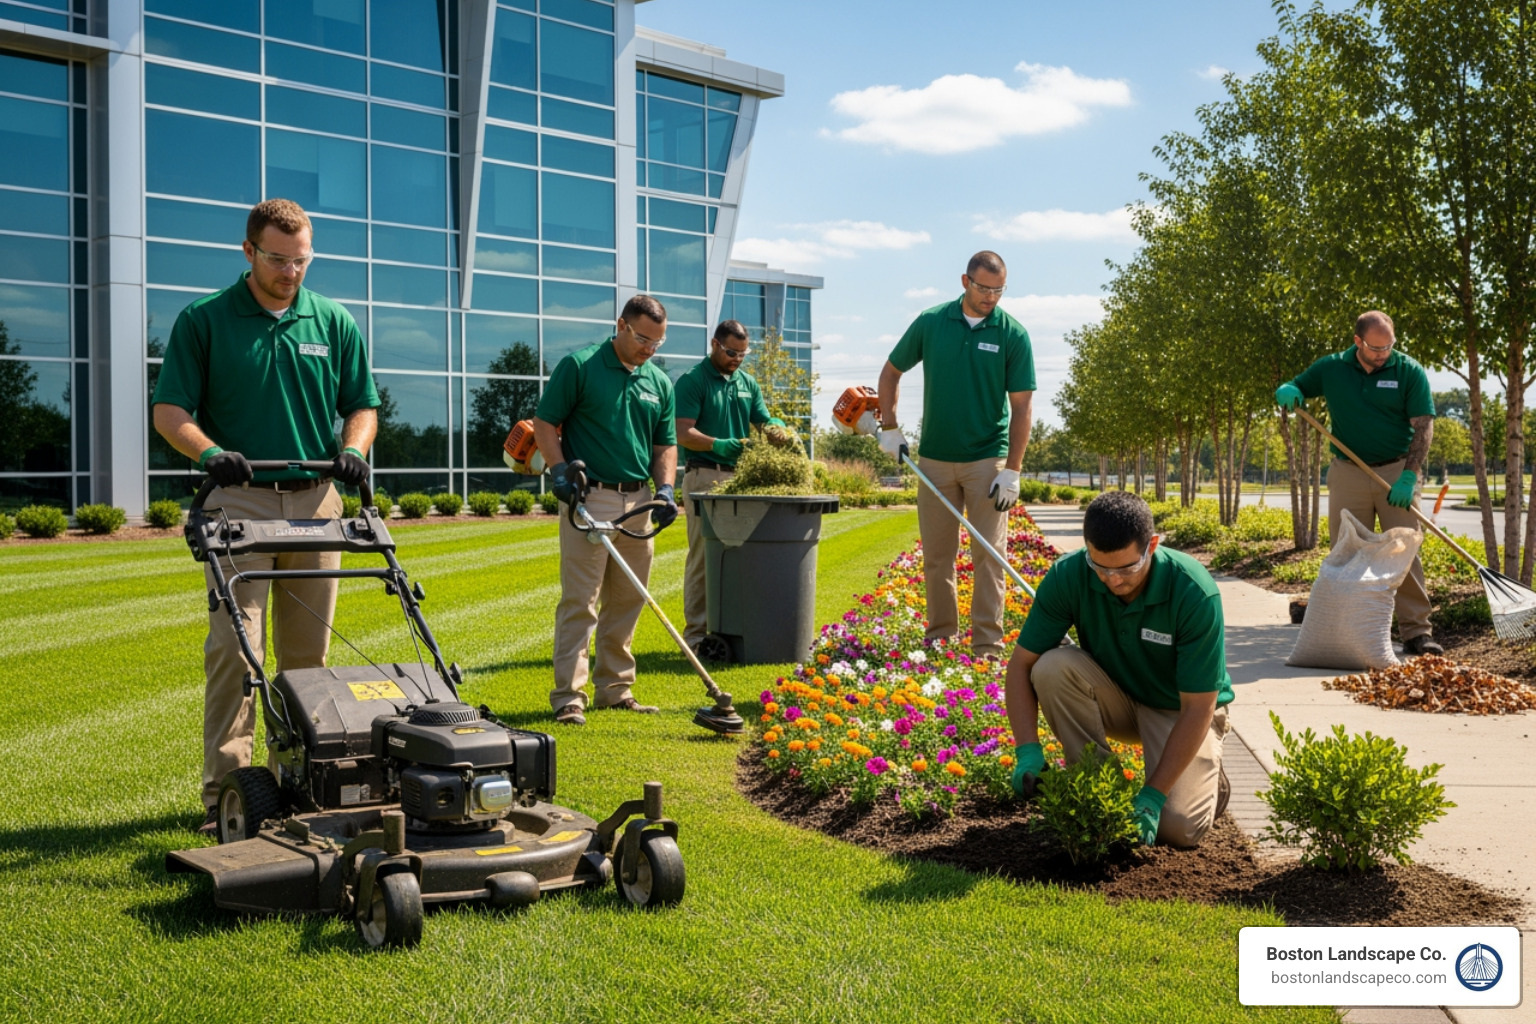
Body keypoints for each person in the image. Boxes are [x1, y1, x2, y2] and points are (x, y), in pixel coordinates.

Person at [151, 198, 380, 836]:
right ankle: (224, 793)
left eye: (301, 260)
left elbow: (361, 404)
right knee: (236, 648)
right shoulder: (205, 320)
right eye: (278, 260)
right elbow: (169, 410)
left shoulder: (332, 320)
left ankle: (301, 785)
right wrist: (211, 452)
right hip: (240, 500)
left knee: (308, 659)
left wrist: (355, 449)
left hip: (316, 500)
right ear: (248, 251)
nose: (290, 272)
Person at [1004, 491, 1234, 847]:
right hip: (1119, 695)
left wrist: (1154, 796)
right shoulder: (1069, 575)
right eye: (1101, 567)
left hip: (1179, 709)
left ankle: (1208, 780)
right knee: (1051, 667)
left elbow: (1198, 707)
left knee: (1178, 829)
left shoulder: (1193, 592)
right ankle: (1100, 788)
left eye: (1127, 568)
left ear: (1152, 545)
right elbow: (1021, 665)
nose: (1113, 580)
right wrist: (1027, 751)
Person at [877, 250, 1035, 659]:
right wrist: (890, 427)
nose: (991, 298)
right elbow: (891, 372)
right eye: (984, 289)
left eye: (999, 290)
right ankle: (941, 638)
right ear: (965, 282)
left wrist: (1012, 470)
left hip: (987, 459)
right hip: (934, 459)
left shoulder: (1012, 334)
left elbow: (1022, 407)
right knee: (938, 556)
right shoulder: (932, 323)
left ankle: (987, 646)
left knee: (990, 556)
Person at [533, 295, 679, 725]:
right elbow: (545, 423)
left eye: (657, 342)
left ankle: (615, 689)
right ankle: (568, 698)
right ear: (620, 325)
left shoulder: (658, 382)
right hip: (589, 497)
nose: (648, 349)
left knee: (629, 599)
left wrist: (667, 489)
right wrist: (560, 473)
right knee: (582, 601)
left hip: (639, 501)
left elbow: (664, 444)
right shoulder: (580, 366)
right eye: (642, 338)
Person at [1275, 310, 1442, 656]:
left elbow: (1423, 426)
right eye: (1375, 348)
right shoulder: (1332, 368)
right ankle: (1347, 627)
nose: (1384, 355)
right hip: (1349, 471)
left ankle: (1416, 631)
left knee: (1404, 549)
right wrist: (1291, 389)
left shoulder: (1407, 370)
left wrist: (1409, 476)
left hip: (1397, 471)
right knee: (1347, 551)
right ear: (1357, 342)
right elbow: (1301, 386)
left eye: (1389, 347)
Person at [673, 320, 785, 651]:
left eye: (743, 353)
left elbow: (763, 419)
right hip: (705, 476)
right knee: (704, 558)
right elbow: (681, 432)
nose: (737, 359)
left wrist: (775, 426)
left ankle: (733, 628)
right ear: (715, 344)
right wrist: (719, 444)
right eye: (731, 352)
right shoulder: (694, 382)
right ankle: (696, 636)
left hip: (740, 479)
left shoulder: (747, 383)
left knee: (741, 557)